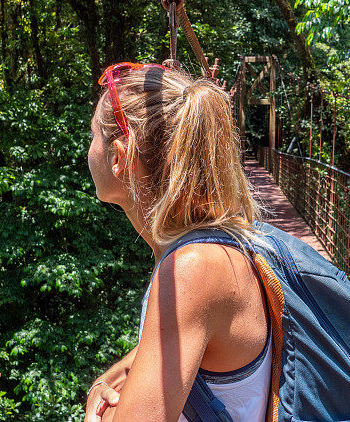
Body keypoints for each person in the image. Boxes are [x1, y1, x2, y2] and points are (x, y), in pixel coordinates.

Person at [84, 62, 271, 422]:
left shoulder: (193, 270)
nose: (88, 147)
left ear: (119, 157)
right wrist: (108, 380)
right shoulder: (206, 243)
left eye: (93, 134)